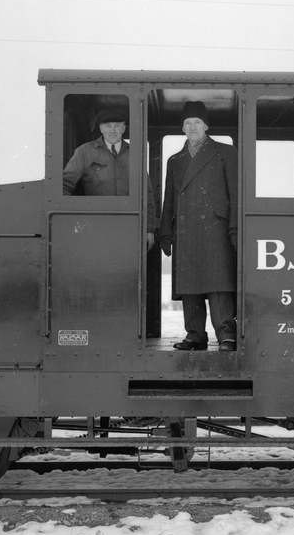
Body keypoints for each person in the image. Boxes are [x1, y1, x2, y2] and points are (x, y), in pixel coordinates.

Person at [159, 101, 238, 351]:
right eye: (188, 123)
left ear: (206, 126)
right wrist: (166, 233)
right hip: (185, 229)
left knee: (219, 282)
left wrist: (235, 229)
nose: (192, 127)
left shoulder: (226, 153)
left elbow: (236, 194)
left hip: (217, 229)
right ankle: (195, 335)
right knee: (189, 283)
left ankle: (227, 334)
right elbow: (169, 200)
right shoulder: (175, 161)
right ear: (182, 128)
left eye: (197, 122)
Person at [63, 107, 156, 249]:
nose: (112, 130)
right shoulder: (84, 152)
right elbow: (65, 184)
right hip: (94, 226)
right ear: (101, 128)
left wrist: (149, 230)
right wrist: (67, 222)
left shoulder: (135, 154)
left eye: (117, 125)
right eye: (107, 126)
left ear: (124, 128)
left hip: (129, 225)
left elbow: (146, 194)